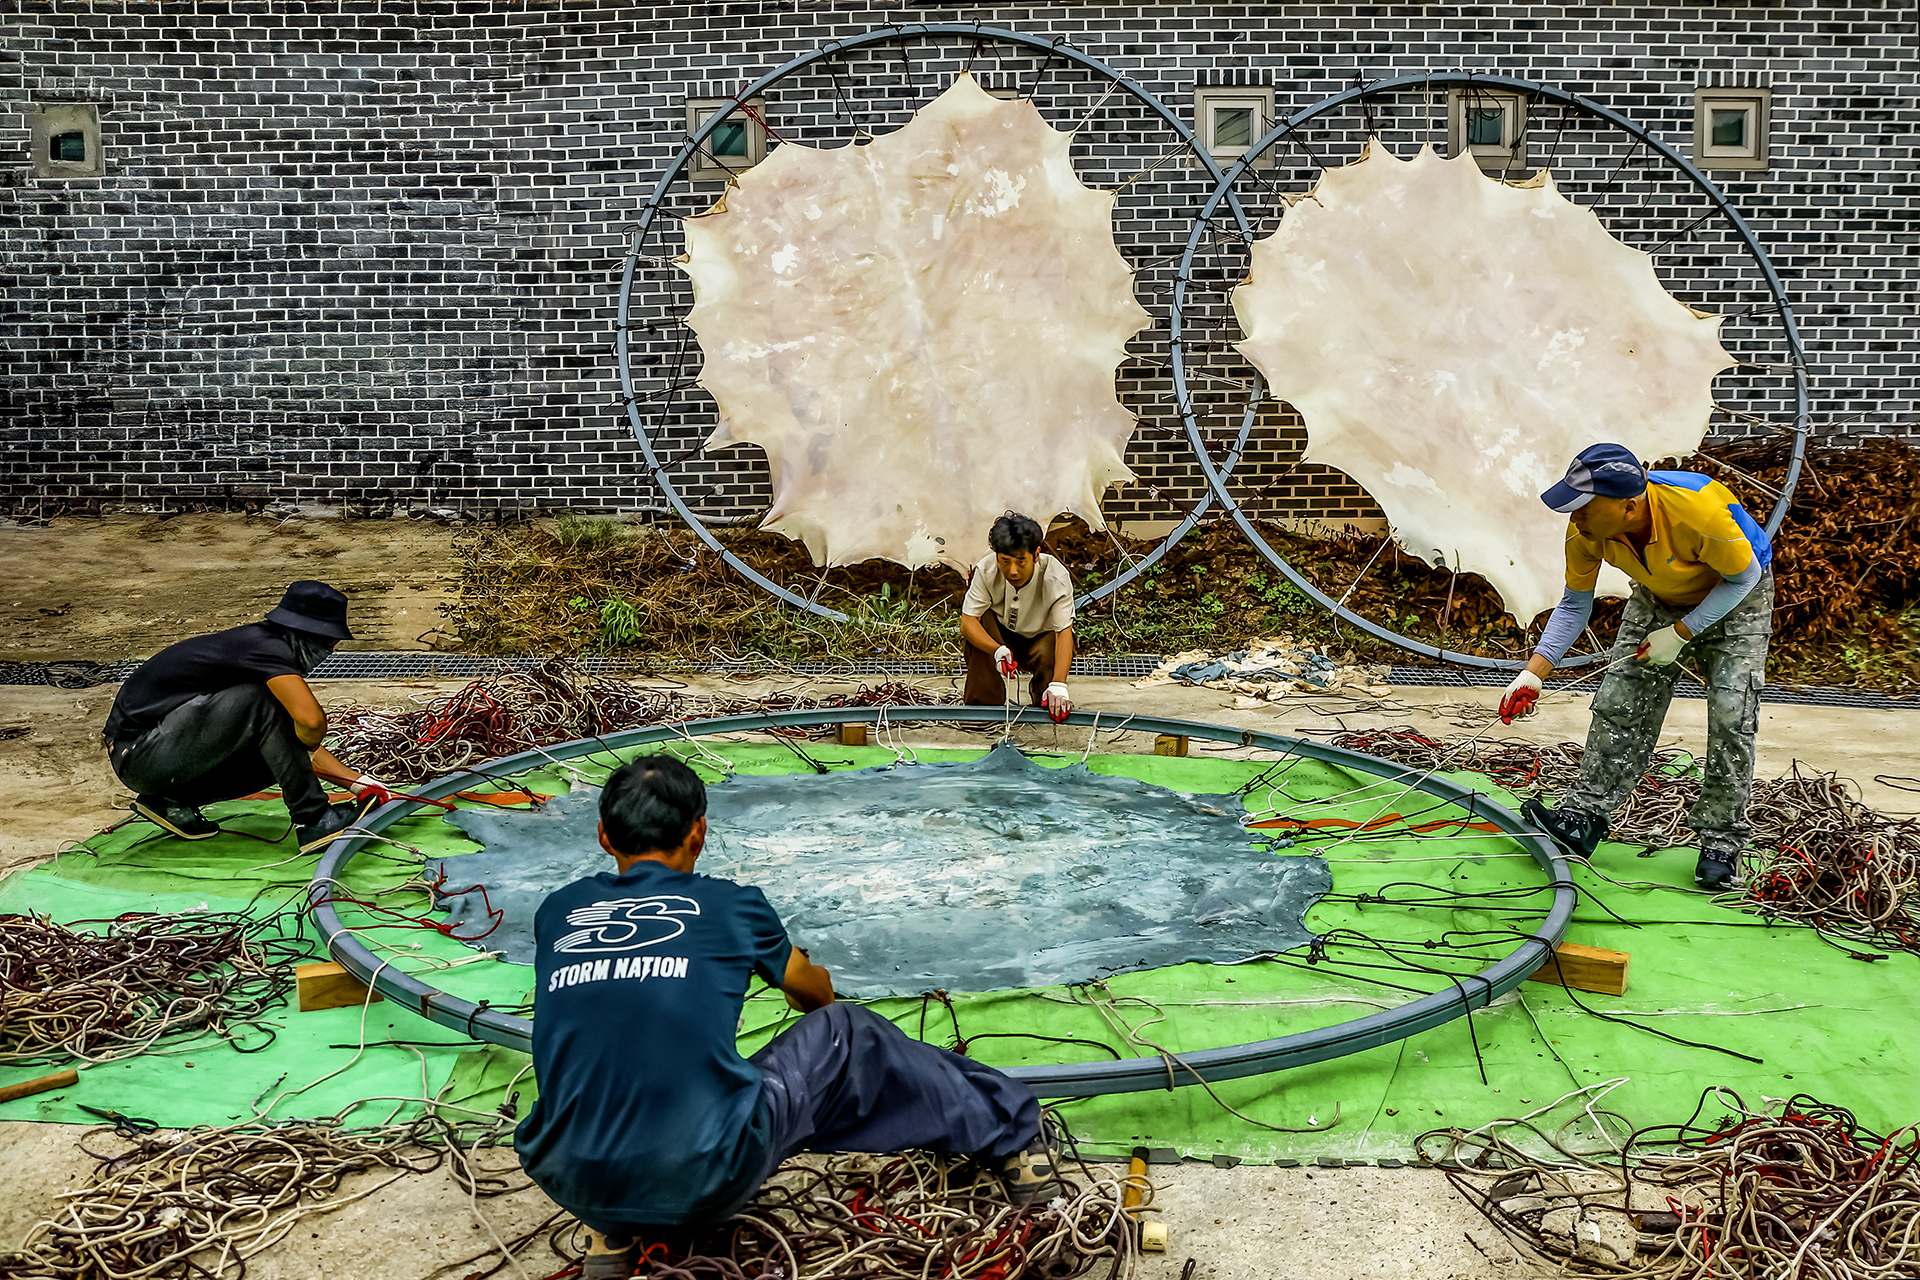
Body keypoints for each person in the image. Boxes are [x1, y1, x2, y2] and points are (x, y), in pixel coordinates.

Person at [513, 756, 1057, 1279]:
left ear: (604, 836)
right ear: (698, 833)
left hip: (568, 1175)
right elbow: (815, 996)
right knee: (847, 1033)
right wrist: (804, 973)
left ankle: (615, 1228)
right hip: (707, 1171)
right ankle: (1012, 1133)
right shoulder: (732, 906)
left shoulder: (558, 910)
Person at [1498, 443, 1774, 890]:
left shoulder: (1699, 509)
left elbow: (1743, 577)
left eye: (1584, 507)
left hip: (1737, 596)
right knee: (1619, 701)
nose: (1574, 517)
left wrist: (1681, 633)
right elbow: (1574, 605)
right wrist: (1533, 674)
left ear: (1628, 506)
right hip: (1657, 595)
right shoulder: (1586, 533)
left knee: (1731, 714)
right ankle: (1583, 818)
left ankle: (1721, 841)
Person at [102, 580, 389, 853]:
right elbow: (310, 723)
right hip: (139, 752)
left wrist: (360, 783)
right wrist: (305, 744)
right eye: (329, 642)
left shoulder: (259, 647)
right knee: (264, 701)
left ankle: (170, 801)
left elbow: (292, 740)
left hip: (149, 757)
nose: (330, 651)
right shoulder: (268, 648)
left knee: (276, 748)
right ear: (308, 634)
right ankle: (314, 819)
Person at [960, 512, 1076, 721]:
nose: (1012, 571)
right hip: (999, 635)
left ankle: (1047, 701)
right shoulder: (985, 570)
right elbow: (968, 621)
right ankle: (982, 708)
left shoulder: (1056, 576)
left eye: (1021, 561)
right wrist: (996, 650)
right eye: (1005, 561)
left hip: (1041, 639)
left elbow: (1064, 632)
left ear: (1036, 554)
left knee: (1053, 645)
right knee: (981, 620)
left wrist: (1059, 684)